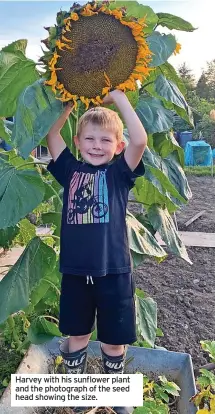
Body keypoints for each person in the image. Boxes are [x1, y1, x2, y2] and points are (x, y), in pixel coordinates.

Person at [46, 90, 147, 414]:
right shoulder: (70, 171)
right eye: (89, 139)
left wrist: (117, 97)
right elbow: (52, 134)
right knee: (77, 336)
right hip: (75, 273)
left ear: (117, 147)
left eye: (105, 140)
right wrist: (71, 102)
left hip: (114, 273)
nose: (96, 145)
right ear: (78, 142)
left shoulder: (119, 174)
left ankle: (114, 392)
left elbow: (140, 140)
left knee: (113, 341)